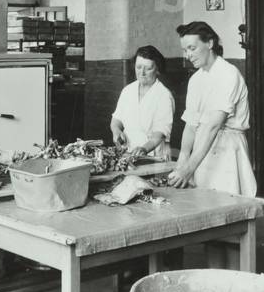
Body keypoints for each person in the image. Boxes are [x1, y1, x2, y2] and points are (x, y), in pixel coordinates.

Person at [168, 21, 256, 195]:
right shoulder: (196, 80)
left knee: (227, 205)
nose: (188, 55)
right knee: (202, 202)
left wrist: (189, 168)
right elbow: (191, 124)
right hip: (203, 149)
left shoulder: (228, 74)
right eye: (185, 50)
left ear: (209, 43)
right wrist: (183, 160)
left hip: (228, 149)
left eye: (192, 48)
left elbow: (214, 125)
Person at [110, 45, 175, 160]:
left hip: (153, 157)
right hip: (128, 153)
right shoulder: (128, 90)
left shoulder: (164, 96)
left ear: (157, 69)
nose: (142, 73)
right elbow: (116, 119)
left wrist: (144, 149)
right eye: (138, 67)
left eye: (148, 68)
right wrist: (116, 131)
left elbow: (159, 133)